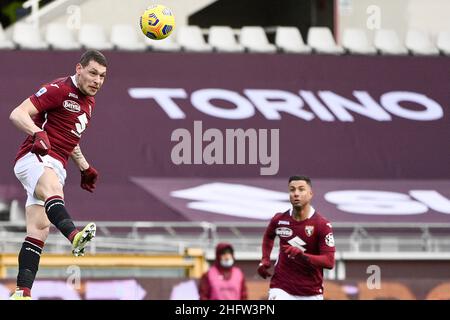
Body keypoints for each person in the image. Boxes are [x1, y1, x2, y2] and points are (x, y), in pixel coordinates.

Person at [8, 50, 108, 300]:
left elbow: (69, 137)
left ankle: (22, 292)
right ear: (79, 69)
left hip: (56, 163)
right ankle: (75, 237)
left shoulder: (89, 100)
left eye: (103, 76)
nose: (97, 80)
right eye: (93, 73)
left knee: (39, 230)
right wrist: (37, 133)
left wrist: (84, 167)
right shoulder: (59, 89)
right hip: (34, 158)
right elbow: (17, 113)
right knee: (53, 190)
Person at [257, 175, 335, 300]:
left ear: (310, 193)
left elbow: (329, 261)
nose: (296, 193)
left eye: (301, 189)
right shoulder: (279, 219)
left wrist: (302, 255)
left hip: (311, 291)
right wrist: (265, 259)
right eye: (292, 190)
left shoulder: (322, 225)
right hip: (281, 287)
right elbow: (268, 236)